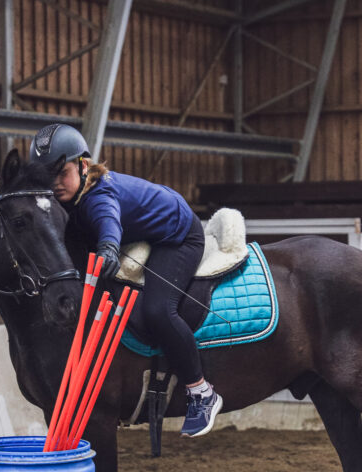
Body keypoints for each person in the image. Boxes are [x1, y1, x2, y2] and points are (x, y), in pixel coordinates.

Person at [31, 123, 222, 438]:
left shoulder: (97, 197)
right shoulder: (67, 197)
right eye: (47, 177)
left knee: (158, 310)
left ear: (83, 166)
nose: (55, 183)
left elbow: (107, 220)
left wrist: (108, 249)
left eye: (62, 173)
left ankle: (201, 392)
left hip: (177, 235)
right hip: (142, 229)